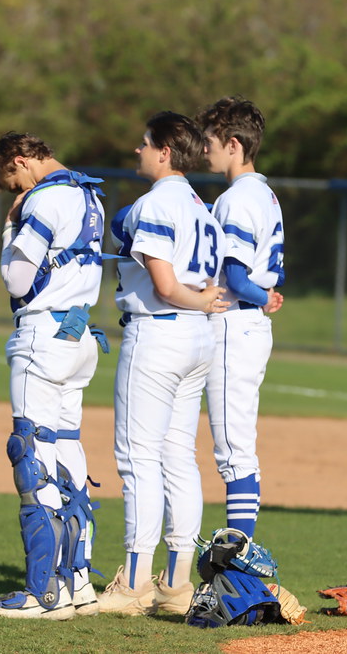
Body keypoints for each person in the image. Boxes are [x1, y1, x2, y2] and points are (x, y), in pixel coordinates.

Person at [98, 111, 230, 616]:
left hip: (159, 334)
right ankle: (175, 584)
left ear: (165, 152)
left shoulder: (156, 204)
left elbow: (165, 286)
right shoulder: (203, 208)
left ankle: (133, 584)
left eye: (145, 143)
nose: (139, 149)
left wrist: (194, 301)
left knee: (138, 458)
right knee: (178, 454)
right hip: (197, 341)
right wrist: (200, 303)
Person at [0, 132, 108, 621]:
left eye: (13, 179)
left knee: (30, 453)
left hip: (43, 335)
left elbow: (16, 279)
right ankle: (77, 583)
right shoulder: (88, 193)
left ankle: (42, 594)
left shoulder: (44, 198)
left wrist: (11, 228)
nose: (15, 191)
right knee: (68, 447)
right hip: (79, 338)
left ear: (21, 161)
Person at [195, 96, 285, 540]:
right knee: (236, 447)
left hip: (233, 324)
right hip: (249, 324)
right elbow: (270, 272)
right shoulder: (266, 195)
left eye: (209, 140)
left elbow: (235, 275)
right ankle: (239, 555)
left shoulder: (235, 199)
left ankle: (240, 562)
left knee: (233, 449)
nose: (204, 148)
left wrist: (259, 294)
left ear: (233, 144)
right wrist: (266, 295)